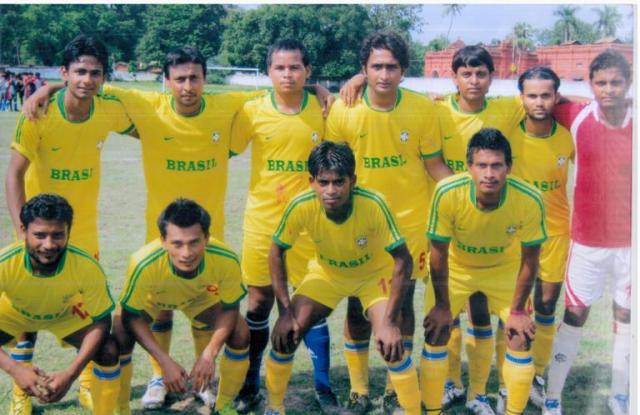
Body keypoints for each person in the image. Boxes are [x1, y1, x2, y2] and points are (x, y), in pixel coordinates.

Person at [5, 34, 134, 414]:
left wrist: (49, 85)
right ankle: (21, 391)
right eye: (79, 72)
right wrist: (21, 231)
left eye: (95, 73)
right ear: (64, 72)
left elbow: (150, 121)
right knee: (24, 308)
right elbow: (14, 175)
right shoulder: (39, 113)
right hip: (37, 229)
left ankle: (89, 385)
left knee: (89, 312)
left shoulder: (108, 110)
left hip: (84, 231)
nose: (87, 79)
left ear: (104, 77)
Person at [326, 31, 450, 414]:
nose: (384, 74)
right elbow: (334, 173)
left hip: (409, 225)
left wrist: (465, 196)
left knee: (403, 305)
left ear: (403, 70)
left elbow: (435, 166)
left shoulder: (422, 109)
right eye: (376, 66)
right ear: (363, 70)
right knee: (357, 307)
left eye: (392, 67)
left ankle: (396, 388)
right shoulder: (344, 110)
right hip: (360, 226)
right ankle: (359, 390)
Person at [265, 141, 421, 415]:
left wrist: (388, 322)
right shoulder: (301, 205)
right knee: (286, 336)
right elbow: (276, 251)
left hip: (372, 277)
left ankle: (412, 410)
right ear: (312, 182)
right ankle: (274, 407)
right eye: (323, 182)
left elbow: (403, 260)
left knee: (390, 344)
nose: (331, 190)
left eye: (339, 182)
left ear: (353, 181)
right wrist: (285, 312)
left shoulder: (373, 203)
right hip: (327, 275)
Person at [230, 39, 337, 413]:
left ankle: (324, 388)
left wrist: (326, 90)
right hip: (263, 222)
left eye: (295, 67)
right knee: (259, 302)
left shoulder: (325, 109)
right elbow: (225, 146)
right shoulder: (252, 111)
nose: (287, 74)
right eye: (280, 68)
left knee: (312, 302)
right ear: (268, 72)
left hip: (309, 224)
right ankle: (249, 382)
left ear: (308, 71)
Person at [424, 128, 546, 415]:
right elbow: (438, 253)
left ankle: (509, 409)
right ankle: (432, 410)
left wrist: (518, 311)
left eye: (496, 165)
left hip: (503, 270)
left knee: (520, 336)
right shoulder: (447, 192)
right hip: (458, 269)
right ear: (469, 166)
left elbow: (530, 259)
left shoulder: (529, 198)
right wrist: (442, 306)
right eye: (481, 165)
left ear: (509, 167)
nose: (489, 174)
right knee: (436, 331)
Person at [543, 49, 632, 415]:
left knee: (626, 316)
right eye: (601, 83)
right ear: (591, 85)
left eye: (616, 82)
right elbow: (537, 97)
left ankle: (621, 395)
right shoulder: (576, 116)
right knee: (575, 314)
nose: (608, 89)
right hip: (587, 242)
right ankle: (553, 396)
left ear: (628, 83)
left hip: (631, 245)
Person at [113, 198, 250, 414]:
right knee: (120, 331)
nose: (186, 253)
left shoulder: (226, 258)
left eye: (194, 242)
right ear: (163, 241)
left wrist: (209, 354)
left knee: (240, 332)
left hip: (199, 297)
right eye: (177, 244)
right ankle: (123, 408)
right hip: (154, 299)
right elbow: (131, 315)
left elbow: (230, 308)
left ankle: (223, 406)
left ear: (206, 238)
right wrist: (164, 361)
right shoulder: (143, 262)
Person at [0, 194, 119, 415]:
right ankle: (20, 396)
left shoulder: (85, 265)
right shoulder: (4, 263)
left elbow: (102, 321)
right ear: (23, 230)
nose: (49, 245)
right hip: (14, 313)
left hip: (63, 314)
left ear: (68, 232)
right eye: (40, 235)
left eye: (57, 235)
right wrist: (15, 369)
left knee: (109, 349)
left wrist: (71, 374)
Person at [506, 66, 574, 410]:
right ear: (521, 98)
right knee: (516, 308)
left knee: (546, 305)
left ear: (556, 97)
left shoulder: (569, 135)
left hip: (556, 232)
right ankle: (510, 376)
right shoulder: (508, 133)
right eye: (531, 95)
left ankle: (537, 374)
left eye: (546, 95)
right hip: (515, 235)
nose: (539, 102)